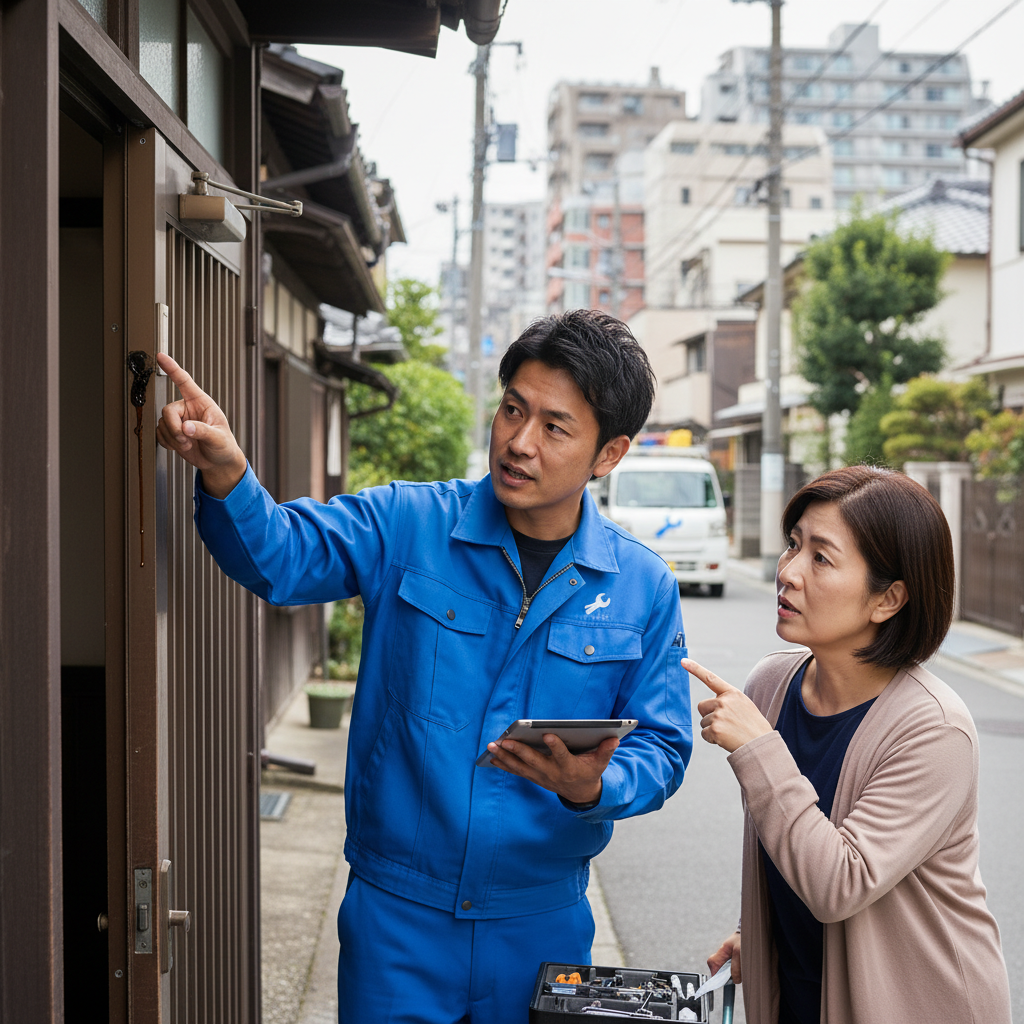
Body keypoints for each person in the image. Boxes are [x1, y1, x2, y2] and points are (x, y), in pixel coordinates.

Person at [156, 309, 692, 1024]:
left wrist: (595, 785)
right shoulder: (409, 524)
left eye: (554, 427)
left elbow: (664, 745)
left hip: (541, 923)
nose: (519, 442)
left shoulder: (640, 584)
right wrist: (227, 470)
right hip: (397, 917)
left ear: (609, 453)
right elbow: (280, 556)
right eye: (512, 410)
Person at [684, 465, 1011, 1024]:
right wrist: (759, 933)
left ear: (888, 599)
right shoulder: (771, 685)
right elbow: (790, 844)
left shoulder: (934, 730)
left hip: (920, 1003)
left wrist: (761, 749)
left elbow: (841, 883)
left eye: (820, 557)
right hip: (805, 992)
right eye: (793, 545)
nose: (787, 572)